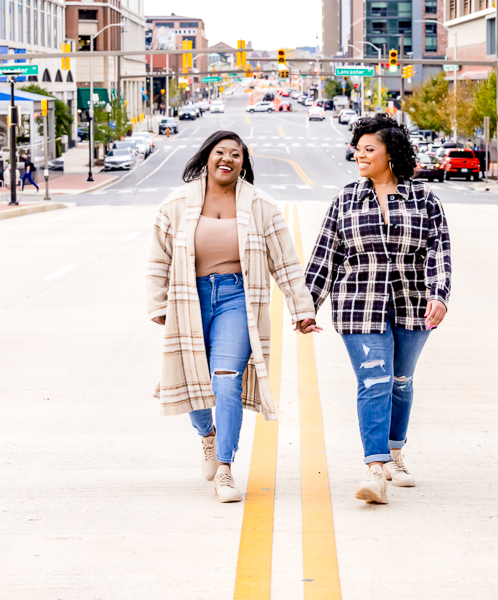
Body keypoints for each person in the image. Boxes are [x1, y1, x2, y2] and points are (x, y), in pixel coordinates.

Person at [146, 130, 318, 503]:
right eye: (220, 152)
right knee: (192, 378)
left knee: (225, 380)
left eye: (236, 154)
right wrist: (158, 304)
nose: (227, 159)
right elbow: (159, 258)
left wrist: (301, 308)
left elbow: (286, 263)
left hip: (237, 299)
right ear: (207, 157)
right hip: (189, 298)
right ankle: (207, 435)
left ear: (243, 163)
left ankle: (224, 467)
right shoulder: (177, 203)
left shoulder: (260, 206)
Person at [304, 114, 451, 505]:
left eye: (369, 149)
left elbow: (440, 252)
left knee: (400, 381)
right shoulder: (346, 199)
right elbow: (325, 256)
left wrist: (439, 294)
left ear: (391, 153)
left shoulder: (424, 200)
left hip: (413, 305)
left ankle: (395, 452)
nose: (360, 155)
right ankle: (375, 469)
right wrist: (308, 305)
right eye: (358, 149)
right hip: (358, 305)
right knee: (375, 380)